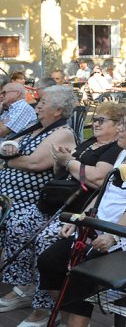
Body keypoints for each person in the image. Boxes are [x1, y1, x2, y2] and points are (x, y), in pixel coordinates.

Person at [38, 102, 126, 326]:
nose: (120, 129)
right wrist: (80, 218)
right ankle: (69, 319)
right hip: (100, 228)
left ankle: (76, 321)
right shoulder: (124, 153)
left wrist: (114, 235)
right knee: (49, 261)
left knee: (80, 275)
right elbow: (104, 192)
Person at [3, 102, 126, 324]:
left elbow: (98, 179)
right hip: (54, 202)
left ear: (119, 126)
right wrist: (62, 162)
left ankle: (45, 308)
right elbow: (68, 172)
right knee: (18, 224)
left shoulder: (115, 149)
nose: (94, 123)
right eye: (94, 119)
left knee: (46, 240)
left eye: (101, 120)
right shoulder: (90, 143)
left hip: (76, 209)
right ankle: (25, 287)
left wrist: (69, 162)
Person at [0, 87, 78, 316]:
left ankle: (23, 287)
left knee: (17, 223)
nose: (38, 105)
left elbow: (35, 163)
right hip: (8, 197)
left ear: (59, 111)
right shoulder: (36, 128)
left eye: (43, 102)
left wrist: (7, 162)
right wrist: (7, 154)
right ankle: (19, 284)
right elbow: (6, 147)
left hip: (30, 202)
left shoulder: (62, 132)